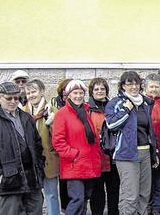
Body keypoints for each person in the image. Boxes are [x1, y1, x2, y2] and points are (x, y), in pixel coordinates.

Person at [0, 82, 44, 215]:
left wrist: (39, 165)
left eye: (17, 98)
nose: (13, 101)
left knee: (36, 211)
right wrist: (0, 173)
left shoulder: (27, 118)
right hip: (10, 181)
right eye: (9, 98)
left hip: (32, 178)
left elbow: (38, 144)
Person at [105, 71, 158, 215]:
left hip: (145, 152)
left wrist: (154, 151)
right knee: (130, 195)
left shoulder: (145, 103)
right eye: (129, 84)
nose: (134, 87)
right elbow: (111, 125)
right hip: (126, 153)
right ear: (123, 86)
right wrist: (126, 110)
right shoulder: (116, 103)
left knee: (144, 193)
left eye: (136, 83)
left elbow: (149, 130)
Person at [52, 79, 102, 215]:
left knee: (84, 199)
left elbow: (92, 138)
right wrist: (74, 155)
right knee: (77, 199)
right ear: (68, 95)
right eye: (75, 93)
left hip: (88, 163)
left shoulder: (85, 112)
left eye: (81, 93)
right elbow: (58, 142)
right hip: (74, 164)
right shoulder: (62, 114)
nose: (78, 96)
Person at [23, 79, 60, 215]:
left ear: (42, 91)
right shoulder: (23, 111)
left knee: (51, 195)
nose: (31, 95)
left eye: (34, 91)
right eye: (28, 93)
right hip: (30, 161)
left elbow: (60, 136)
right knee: (33, 197)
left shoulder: (52, 110)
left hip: (48, 159)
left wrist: (52, 123)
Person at [88, 78, 120, 215]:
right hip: (95, 157)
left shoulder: (113, 107)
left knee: (114, 191)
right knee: (97, 193)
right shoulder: (86, 110)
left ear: (106, 90)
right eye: (96, 89)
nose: (100, 91)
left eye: (102, 89)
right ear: (91, 92)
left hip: (112, 156)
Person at [144, 73, 160, 215]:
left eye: (156, 86)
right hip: (147, 152)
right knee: (147, 184)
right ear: (146, 87)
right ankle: (147, 209)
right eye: (151, 86)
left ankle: (157, 209)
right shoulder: (141, 103)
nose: (154, 89)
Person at [49, 78, 72, 212]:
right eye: (65, 90)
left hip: (73, 150)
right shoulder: (53, 104)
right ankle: (65, 209)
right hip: (60, 150)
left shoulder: (79, 104)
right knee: (61, 185)